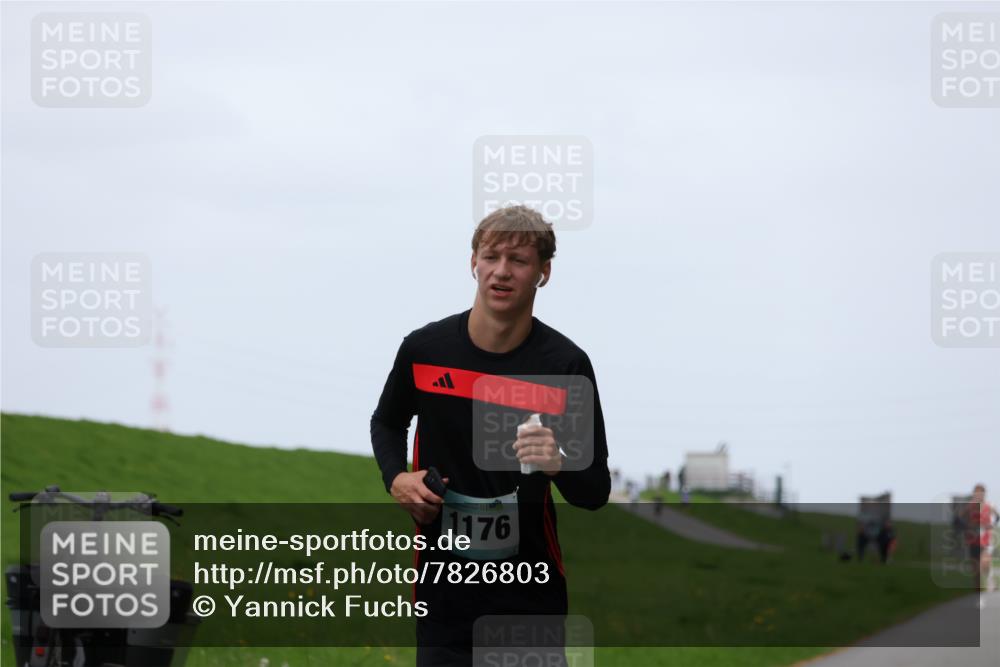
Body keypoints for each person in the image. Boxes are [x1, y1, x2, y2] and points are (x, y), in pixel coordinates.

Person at [370, 206, 611, 666]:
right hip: (443, 592)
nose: (502, 271)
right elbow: (386, 421)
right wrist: (396, 478)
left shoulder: (565, 366)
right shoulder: (424, 350)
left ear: (544, 273)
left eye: (518, 260)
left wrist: (559, 461)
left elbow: (596, 490)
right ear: (473, 262)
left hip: (530, 594)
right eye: (491, 256)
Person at [961, 484, 998, 600]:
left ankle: (991, 583)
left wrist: (991, 525)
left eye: (981, 494)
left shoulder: (988, 506)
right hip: (973, 539)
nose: (979, 496)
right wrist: (967, 526)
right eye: (977, 494)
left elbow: (997, 516)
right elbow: (961, 517)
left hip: (985, 539)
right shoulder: (970, 507)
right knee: (975, 566)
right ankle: (977, 589)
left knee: (985, 563)